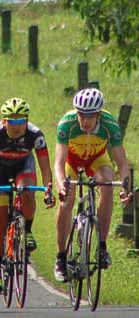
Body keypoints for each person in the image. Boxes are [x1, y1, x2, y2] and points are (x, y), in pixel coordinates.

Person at [53, 88, 133, 282]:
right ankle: (61, 257)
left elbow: (122, 163)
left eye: (90, 115)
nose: (85, 120)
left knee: (106, 183)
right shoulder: (67, 124)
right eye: (81, 114)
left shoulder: (110, 125)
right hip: (72, 161)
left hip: (97, 160)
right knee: (66, 202)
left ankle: (102, 247)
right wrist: (62, 185)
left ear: (98, 114)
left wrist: (125, 188)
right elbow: (59, 161)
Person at [0, 97, 55, 295]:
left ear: (27, 120)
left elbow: (45, 167)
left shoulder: (35, 135)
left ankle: (28, 231)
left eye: (20, 120)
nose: (16, 125)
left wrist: (48, 188)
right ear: (4, 121)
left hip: (24, 166)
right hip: (0, 169)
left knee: (27, 190)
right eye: (11, 121)